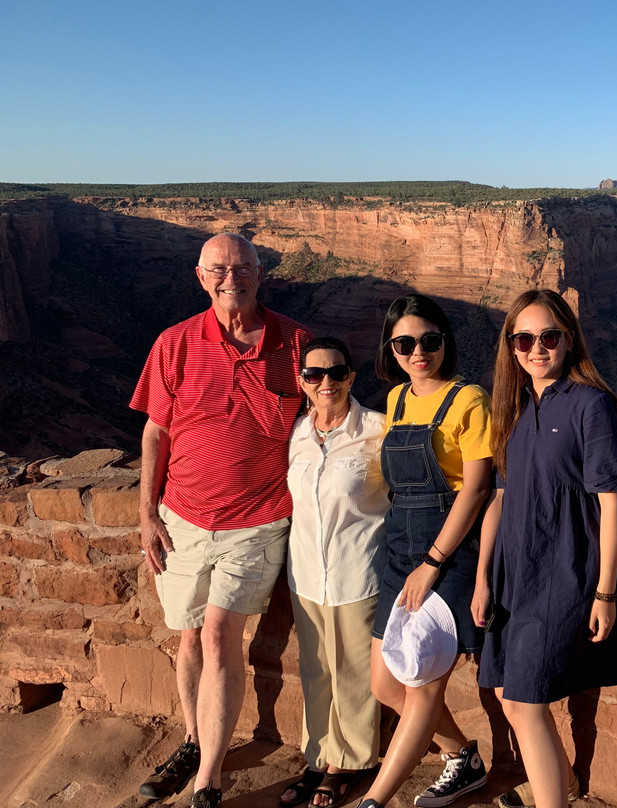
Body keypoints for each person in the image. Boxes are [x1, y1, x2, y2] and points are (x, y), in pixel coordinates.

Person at [131, 233, 311, 808]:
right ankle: (193, 737)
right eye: (219, 269)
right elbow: (157, 431)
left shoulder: (296, 342)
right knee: (188, 636)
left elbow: (326, 418)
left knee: (217, 633)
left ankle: (207, 777)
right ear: (200, 276)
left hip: (258, 518)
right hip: (181, 515)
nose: (231, 277)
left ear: (262, 273)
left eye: (242, 267)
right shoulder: (175, 343)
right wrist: (146, 513)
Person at [473, 289, 617, 808]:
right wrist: (482, 579)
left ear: (567, 339)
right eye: (523, 339)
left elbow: (610, 502)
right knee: (507, 698)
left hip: (563, 571)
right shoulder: (513, 405)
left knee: (524, 700)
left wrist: (604, 592)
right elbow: (498, 498)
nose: (536, 349)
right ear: (510, 346)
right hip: (511, 575)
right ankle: (557, 792)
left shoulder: (590, 404)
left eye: (548, 337)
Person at [355, 294, 491, 808]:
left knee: (423, 686)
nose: (419, 352)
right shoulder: (395, 400)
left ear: (445, 343)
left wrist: (433, 563)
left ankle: (375, 800)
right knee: (386, 684)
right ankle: (463, 758)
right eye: (405, 343)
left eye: (430, 341)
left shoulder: (469, 399)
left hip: (450, 551)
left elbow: (476, 491)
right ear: (391, 349)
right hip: (398, 549)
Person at [279, 336, 388, 808]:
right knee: (316, 669)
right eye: (314, 374)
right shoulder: (297, 434)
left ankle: (349, 763)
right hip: (304, 573)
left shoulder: (377, 430)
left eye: (336, 373)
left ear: (352, 377)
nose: (326, 382)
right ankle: (319, 755)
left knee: (353, 671)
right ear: (302, 382)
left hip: (357, 568)